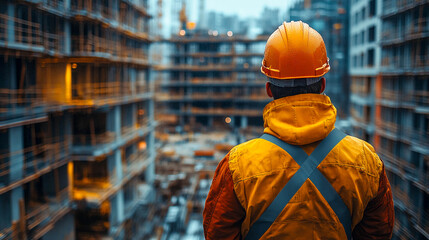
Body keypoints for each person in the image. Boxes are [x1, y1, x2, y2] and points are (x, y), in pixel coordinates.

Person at [203, 21, 394, 240]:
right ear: (322, 85)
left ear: (269, 90)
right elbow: (378, 233)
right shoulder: (366, 162)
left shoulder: (237, 167)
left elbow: (217, 233)